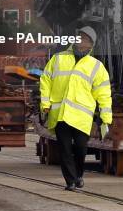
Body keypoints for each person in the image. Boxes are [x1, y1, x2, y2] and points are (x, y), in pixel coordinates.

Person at [39, 25, 112, 191]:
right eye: (80, 37)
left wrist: (105, 117)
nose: (81, 41)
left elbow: (104, 93)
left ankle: (78, 174)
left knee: (80, 148)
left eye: (86, 39)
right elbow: (46, 81)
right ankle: (70, 181)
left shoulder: (96, 66)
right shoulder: (58, 59)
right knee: (64, 148)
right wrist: (45, 104)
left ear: (91, 44)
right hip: (61, 114)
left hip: (81, 117)